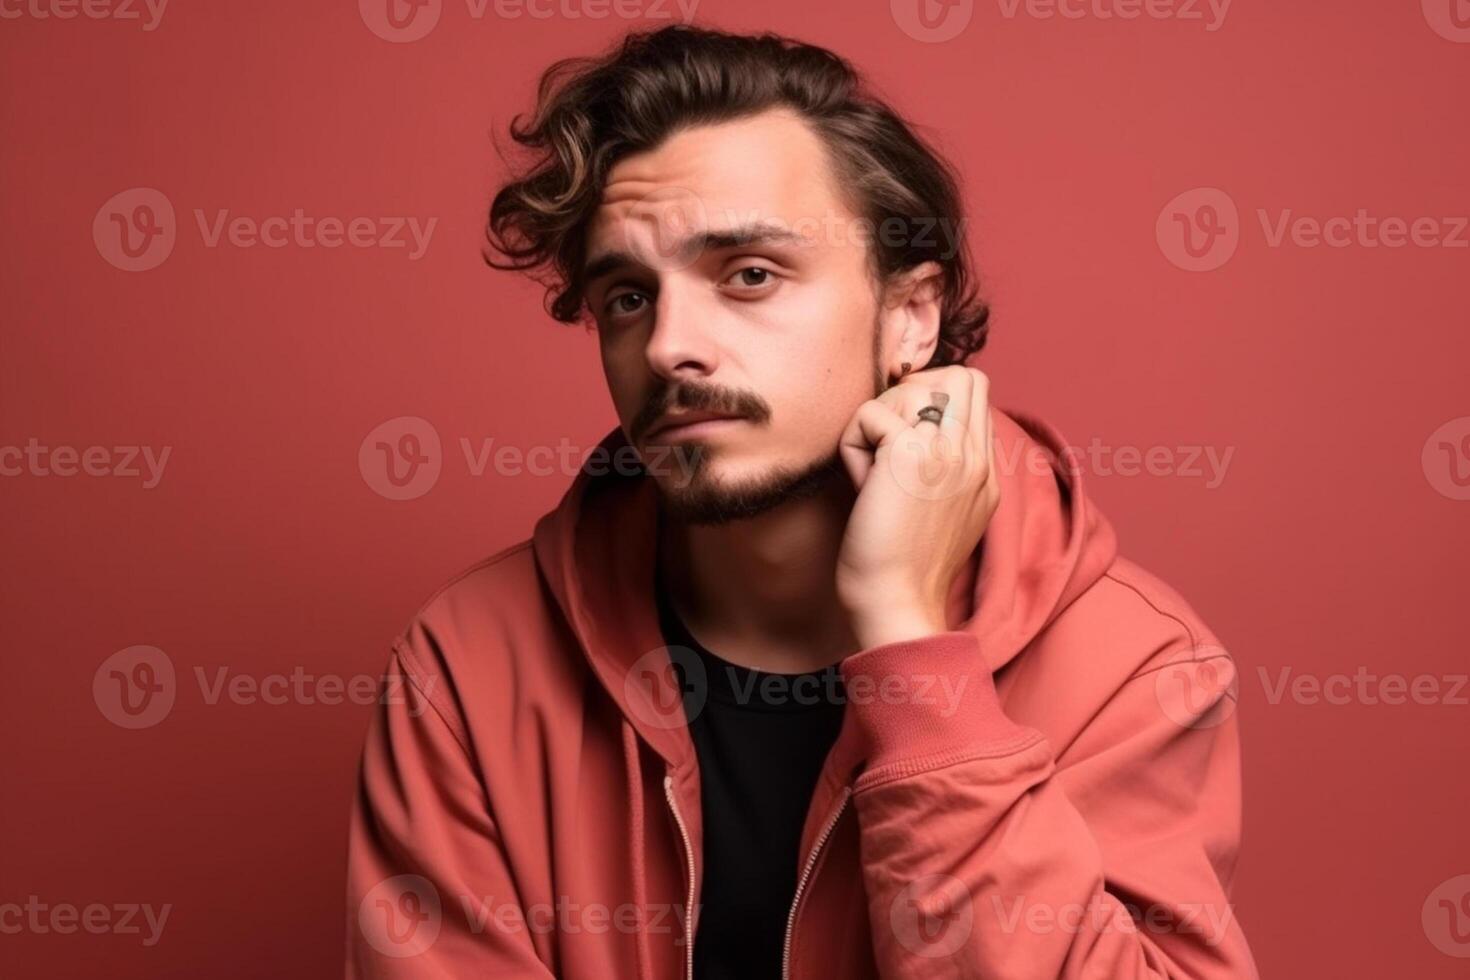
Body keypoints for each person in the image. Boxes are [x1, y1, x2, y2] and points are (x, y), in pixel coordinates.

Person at [347, 24, 1259, 979]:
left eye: (749, 275)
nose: (667, 346)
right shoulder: (467, 668)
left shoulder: (1135, 665)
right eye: (626, 296)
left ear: (911, 316)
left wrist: (914, 655)